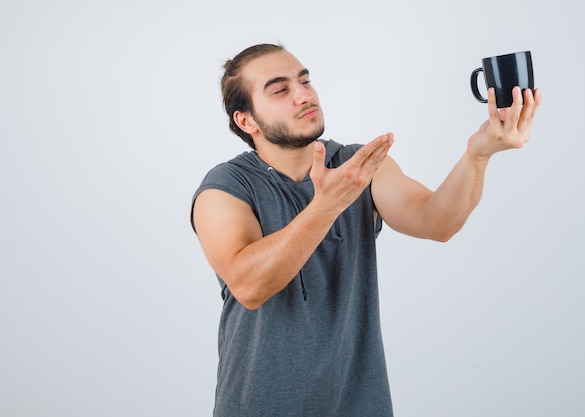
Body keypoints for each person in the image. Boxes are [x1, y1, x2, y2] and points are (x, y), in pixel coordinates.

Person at [191, 43, 541, 417]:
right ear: (246, 121)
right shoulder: (225, 187)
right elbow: (249, 286)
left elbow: (436, 222)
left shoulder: (357, 164)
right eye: (280, 90)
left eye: (305, 80)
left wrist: (479, 153)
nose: (303, 95)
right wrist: (326, 205)